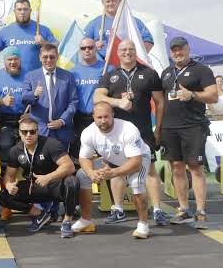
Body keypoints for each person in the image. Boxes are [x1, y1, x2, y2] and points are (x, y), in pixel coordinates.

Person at [93, 39, 166, 227]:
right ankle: (118, 209)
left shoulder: (149, 73)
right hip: (116, 132)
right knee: (116, 171)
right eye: (123, 50)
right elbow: (97, 97)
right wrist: (117, 102)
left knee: (149, 169)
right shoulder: (110, 75)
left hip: (143, 131)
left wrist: (158, 128)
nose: (127, 53)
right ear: (118, 53)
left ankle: (157, 209)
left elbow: (160, 102)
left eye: (131, 50)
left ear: (136, 52)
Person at [160, 36, 218, 229]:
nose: (177, 53)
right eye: (174, 50)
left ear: (188, 49)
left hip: (193, 126)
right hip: (170, 127)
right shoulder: (166, 73)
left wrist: (192, 94)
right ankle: (183, 209)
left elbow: (213, 96)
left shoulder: (202, 70)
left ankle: (201, 212)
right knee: (176, 168)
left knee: (195, 168)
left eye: (180, 49)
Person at [78, 102, 153, 239]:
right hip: (113, 159)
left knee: (136, 182)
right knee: (82, 175)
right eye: (99, 117)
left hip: (139, 158)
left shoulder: (128, 129)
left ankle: (143, 224)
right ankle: (86, 220)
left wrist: (113, 172)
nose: (103, 121)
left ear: (113, 115)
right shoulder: (88, 132)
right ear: (93, 117)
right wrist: (91, 173)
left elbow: (136, 163)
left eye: (106, 117)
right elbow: (84, 158)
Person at [0, 114, 79, 236]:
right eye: (24, 132)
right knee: (3, 196)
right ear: (19, 133)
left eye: (32, 131)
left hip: (55, 185)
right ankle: (40, 214)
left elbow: (69, 166)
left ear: (37, 131)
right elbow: (9, 175)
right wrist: (9, 185)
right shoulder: (15, 150)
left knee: (72, 182)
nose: (28, 135)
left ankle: (67, 222)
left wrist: (48, 177)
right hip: (34, 186)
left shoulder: (50, 144)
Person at [0, 47, 26, 221]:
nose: (12, 62)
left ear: (20, 61)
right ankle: (6, 204)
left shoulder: (30, 76)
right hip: (5, 122)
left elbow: (38, 99)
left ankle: (32, 202)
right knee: (6, 160)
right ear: (4, 62)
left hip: (26, 122)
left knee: (29, 163)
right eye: (9, 59)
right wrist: (1, 102)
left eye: (15, 59)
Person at [21, 43, 78, 146]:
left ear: (57, 57)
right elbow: (24, 98)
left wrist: (62, 121)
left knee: (62, 162)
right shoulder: (31, 76)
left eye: (52, 57)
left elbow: (73, 102)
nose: (48, 60)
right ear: (39, 58)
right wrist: (34, 95)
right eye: (45, 57)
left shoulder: (68, 76)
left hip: (62, 131)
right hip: (40, 131)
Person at [83, 0, 154, 60]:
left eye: (113, 1)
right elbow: (83, 45)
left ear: (120, 0)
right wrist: (94, 46)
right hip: (102, 66)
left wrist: (136, 58)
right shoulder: (94, 23)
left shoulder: (133, 22)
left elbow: (149, 41)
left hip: (126, 66)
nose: (110, 4)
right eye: (108, 1)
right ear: (102, 2)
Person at [0, 0, 57, 73]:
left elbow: (56, 46)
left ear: (30, 11)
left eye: (25, 9)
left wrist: (44, 43)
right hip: (14, 79)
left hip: (36, 79)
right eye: (19, 9)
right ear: (14, 11)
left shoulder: (42, 29)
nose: (22, 12)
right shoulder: (5, 31)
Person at [68, 38, 105, 159]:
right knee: (82, 156)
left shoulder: (106, 69)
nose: (87, 50)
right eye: (83, 48)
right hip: (80, 119)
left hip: (101, 118)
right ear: (79, 50)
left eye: (90, 47)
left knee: (103, 157)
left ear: (96, 48)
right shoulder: (72, 72)